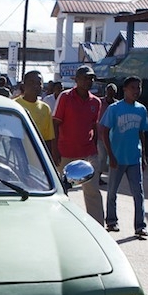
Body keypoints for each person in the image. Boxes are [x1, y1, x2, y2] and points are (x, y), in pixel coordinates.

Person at [53, 65, 104, 225]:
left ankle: (98, 227)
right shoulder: (65, 97)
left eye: (91, 78)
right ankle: (58, 223)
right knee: (61, 191)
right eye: (85, 78)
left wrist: (94, 149)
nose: (88, 81)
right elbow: (55, 124)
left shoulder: (95, 102)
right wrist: (54, 151)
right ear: (76, 80)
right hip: (65, 152)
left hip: (88, 154)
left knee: (92, 192)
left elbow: (94, 127)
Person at [101, 76, 148, 237]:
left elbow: (141, 132)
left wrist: (143, 155)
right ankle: (111, 221)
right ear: (125, 90)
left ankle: (140, 226)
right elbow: (104, 131)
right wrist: (110, 155)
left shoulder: (141, 109)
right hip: (117, 158)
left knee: (138, 193)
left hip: (134, 158)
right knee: (112, 192)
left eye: (138, 88)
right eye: (133, 88)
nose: (136, 91)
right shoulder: (114, 109)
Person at [13, 70, 56, 159]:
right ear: (23, 86)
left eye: (39, 83)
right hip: (18, 156)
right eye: (31, 82)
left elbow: (48, 138)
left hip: (38, 158)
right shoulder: (14, 106)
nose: (35, 86)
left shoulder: (45, 108)